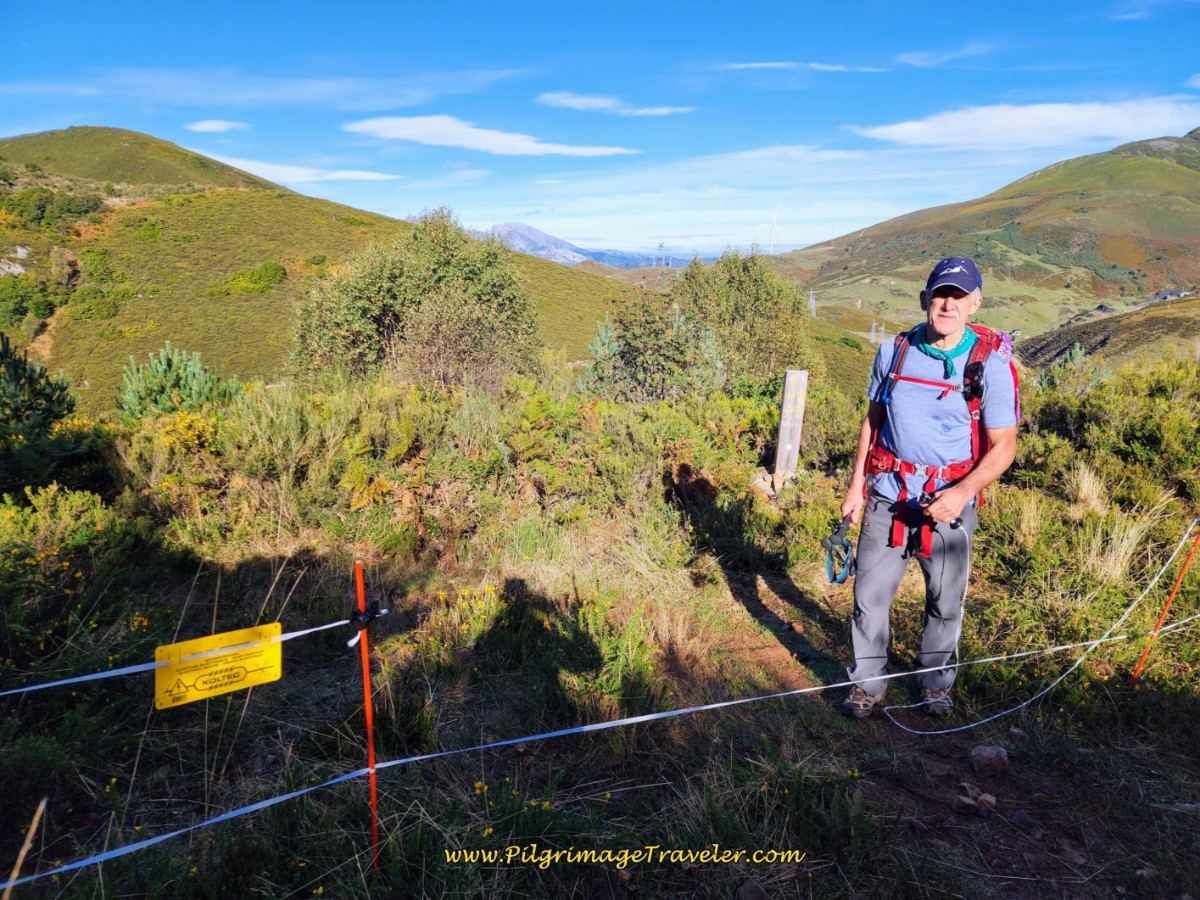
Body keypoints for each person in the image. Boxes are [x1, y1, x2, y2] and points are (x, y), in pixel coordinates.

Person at [839, 256, 1018, 718]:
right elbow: (873, 421)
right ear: (924, 299)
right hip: (888, 494)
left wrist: (960, 493)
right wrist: (856, 484)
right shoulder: (892, 352)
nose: (948, 303)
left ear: (975, 302)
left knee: (944, 599)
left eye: (959, 296)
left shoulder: (989, 366)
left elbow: (1003, 447)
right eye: (940, 293)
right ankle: (868, 684)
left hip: (950, 502)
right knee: (869, 596)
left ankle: (935, 682)